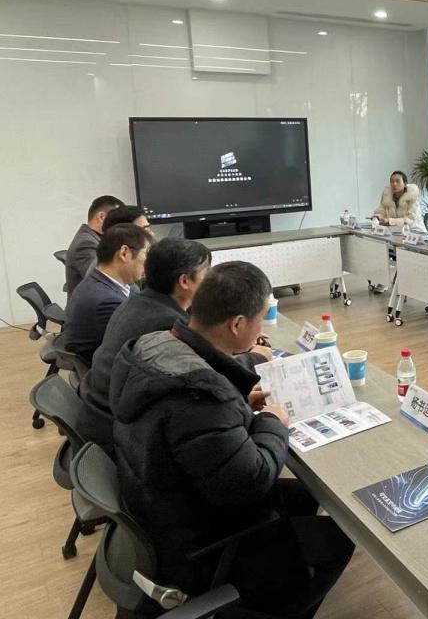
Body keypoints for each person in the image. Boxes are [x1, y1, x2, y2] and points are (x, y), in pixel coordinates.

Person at [109, 262, 354, 617]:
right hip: (193, 546)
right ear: (237, 324)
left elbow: (197, 430)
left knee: (304, 495)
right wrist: (272, 422)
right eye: (260, 319)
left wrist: (238, 404)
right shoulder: (201, 398)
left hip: (160, 503)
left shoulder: (155, 344)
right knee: (339, 539)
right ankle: (279, 600)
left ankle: (283, 572)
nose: (262, 329)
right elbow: (251, 481)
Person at [79, 238, 273, 431]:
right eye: (207, 272)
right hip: (117, 427)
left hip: (106, 412)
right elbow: (203, 374)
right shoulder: (165, 323)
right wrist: (254, 357)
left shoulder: (139, 301)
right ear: (184, 281)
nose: (213, 280)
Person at [63, 224, 152, 364]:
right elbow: (140, 348)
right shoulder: (107, 301)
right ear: (124, 253)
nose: (149, 261)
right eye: (146, 253)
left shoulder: (97, 281)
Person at [65, 194, 124, 296]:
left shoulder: (94, 238)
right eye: (118, 220)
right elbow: (106, 281)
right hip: (96, 304)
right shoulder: (86, 244)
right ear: (101, 217)